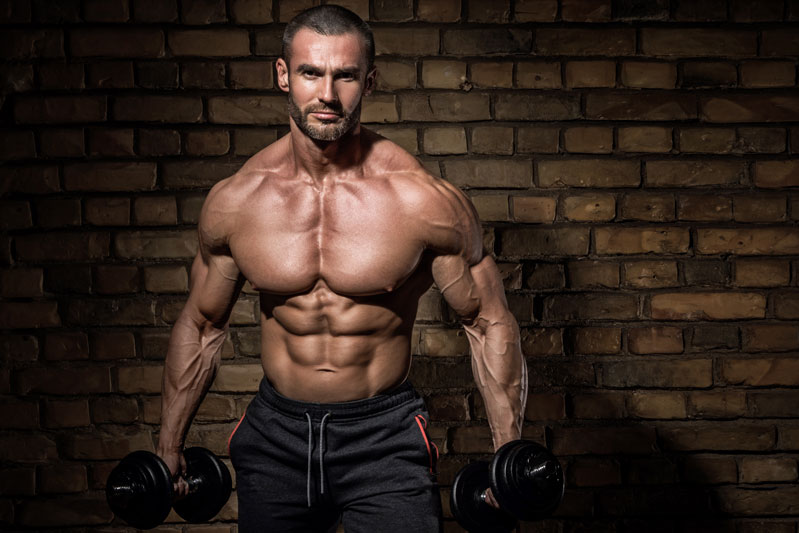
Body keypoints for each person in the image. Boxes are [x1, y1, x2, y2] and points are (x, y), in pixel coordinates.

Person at [155, 5, 527, 532]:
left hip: (384, 438)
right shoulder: (237, 201)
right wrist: (167, 445)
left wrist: (507, 453)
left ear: (369, 81)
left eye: (345, 75)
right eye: (310, 72)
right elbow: (202, 324)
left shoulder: (421, 200)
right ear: (283, 74)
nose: (327, 94)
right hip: (275, 439)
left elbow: (487, 321)